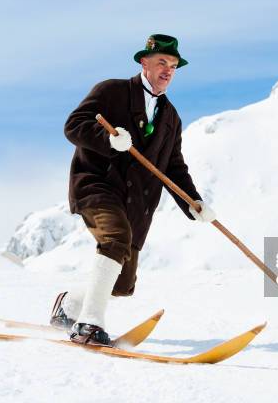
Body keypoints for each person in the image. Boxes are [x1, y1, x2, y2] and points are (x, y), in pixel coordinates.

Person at [49, 34, 216, 346]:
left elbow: (174, 168)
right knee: (115, 238)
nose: (168, 70)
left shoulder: (171, 118)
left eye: (174, 66)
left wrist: (193, 201)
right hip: (97, 186)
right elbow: (74, 125)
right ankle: (88, 324)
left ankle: (69, 304)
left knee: (123, 284)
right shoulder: (111, 91)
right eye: (162, 63)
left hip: (136, 205)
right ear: (145, 63)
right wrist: (108, 139)